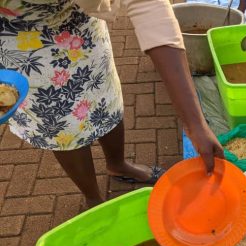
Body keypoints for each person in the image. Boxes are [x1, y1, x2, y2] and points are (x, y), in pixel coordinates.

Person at [0, 0, 224, 208]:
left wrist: (195, 123)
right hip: (23, 44)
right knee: (62, 129)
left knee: (106, 101)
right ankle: (93, 198)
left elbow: (149, 7)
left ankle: (118, 165)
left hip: (80, 25)